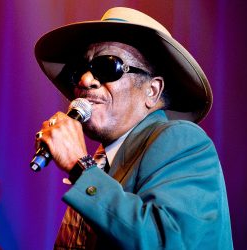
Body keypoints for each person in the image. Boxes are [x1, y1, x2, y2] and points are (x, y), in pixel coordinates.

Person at [34, 7, 233, 250]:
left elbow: (164, 243)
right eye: (79, 71)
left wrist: (80, 168)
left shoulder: (181, 139)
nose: (86, 80)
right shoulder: (102, 167)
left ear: (152, 91)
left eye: (108, 66)